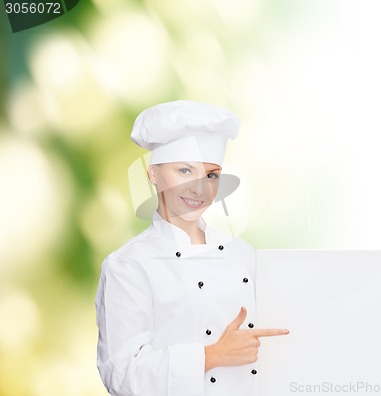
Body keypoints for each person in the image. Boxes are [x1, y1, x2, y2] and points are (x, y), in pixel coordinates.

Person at [95, 100, 289, 396]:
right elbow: (121, 375)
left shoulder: (243, 254)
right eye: (185, 171)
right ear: (153, 173)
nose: (200, 189)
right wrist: (213, 355)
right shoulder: (129, 265)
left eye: (211, 175)